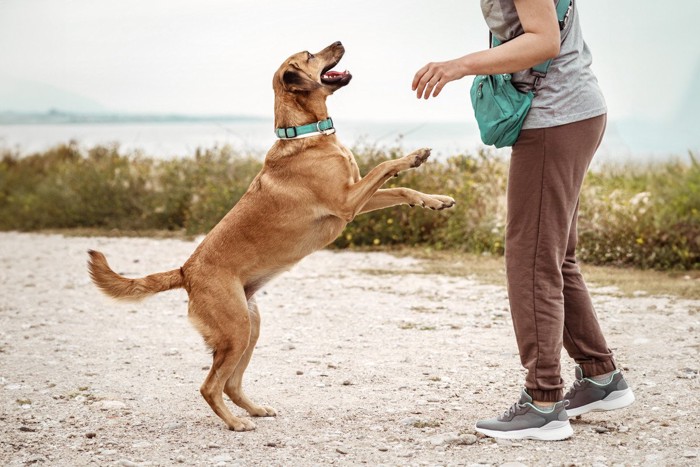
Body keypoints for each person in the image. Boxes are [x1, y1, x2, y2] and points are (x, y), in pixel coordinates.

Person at [412, 0, 634, 441]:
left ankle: (544, 402)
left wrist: (460, 65)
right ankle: (599, 376)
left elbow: (543, 40)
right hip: (571, 112)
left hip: (555, 117)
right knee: (554, 258)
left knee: (530, 261)